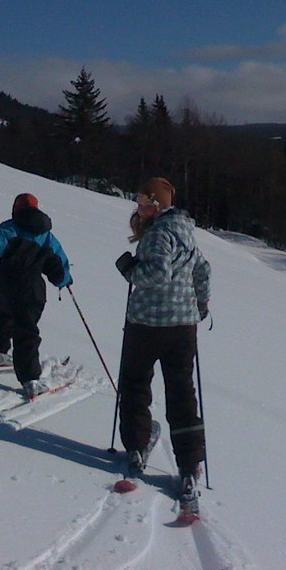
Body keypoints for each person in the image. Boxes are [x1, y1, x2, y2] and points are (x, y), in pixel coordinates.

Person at [114, 177, 211, 515]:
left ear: (156, 203)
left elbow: (157, 274)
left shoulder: (157, 234)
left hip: (147, 324)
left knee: (135, 383)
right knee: (182, 392)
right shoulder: (186, 231)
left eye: (143, 201)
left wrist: (130, 269)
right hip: (182, 327)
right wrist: (200, 305)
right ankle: (189, 464)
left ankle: (136, 445)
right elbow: (203, 270)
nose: (138, 207)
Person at [0, 192, 73, 398]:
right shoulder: (46, 234)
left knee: (2, 311)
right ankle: (30, 380)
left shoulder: (10, 226)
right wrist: (65, 280)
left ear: (15, 209)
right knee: (26, 328)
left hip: (4, 281)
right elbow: (59, 260)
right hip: (29, 287)